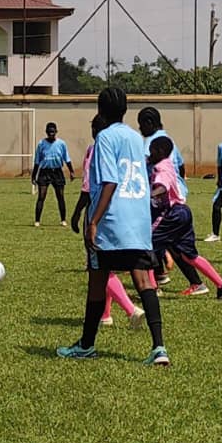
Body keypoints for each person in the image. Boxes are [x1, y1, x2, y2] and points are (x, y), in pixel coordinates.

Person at [57, 87, 169, 366]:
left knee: (97, 282)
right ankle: (159, 348)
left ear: (100, 109)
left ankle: (86, 345)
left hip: (111, 221)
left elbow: (110, 181)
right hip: (138, 220)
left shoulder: (104, 137)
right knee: (144, 282)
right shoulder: (136, 137)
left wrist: (93, 221)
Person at [71, 114, 146, 330]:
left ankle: (131, 309)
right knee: (106, 265)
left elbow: (88, 187)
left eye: (95, 127)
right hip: (120, 212)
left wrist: (79, 214)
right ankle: (105, 314)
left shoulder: (96, 150)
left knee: (99, 266)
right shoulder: (121, 146)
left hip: (98, 212)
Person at [149, 136, 222, 300]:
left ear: (159, 152)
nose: (149, 153)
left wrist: (148, 194)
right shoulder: (167, 162)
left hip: (171, 214)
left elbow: (162, 187)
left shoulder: (160, 168)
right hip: (183, 212)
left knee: (146, 244)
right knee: (189, 255)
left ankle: (152, 289)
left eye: (151, 150)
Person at [136, 106, 201, 288]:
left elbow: (146, 169)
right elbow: (180, 165)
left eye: (141, 125)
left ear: (149, 123)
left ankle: (156, 280)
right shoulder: (168, 139)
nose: (140, 130)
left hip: (164, 198)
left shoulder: (151, 143)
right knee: (171, 243)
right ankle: (191, 281)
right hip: (177, 195)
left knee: (152, 239)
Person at [32, 122, 75, 227]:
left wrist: (71, 171)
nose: (51, 134)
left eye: (53, 131)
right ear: (46, 132)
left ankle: (63, 220)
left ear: (56, 132)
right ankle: (37, 221)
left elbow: (67, 158)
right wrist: (33, 176)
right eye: (49, 132)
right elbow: (37, 161)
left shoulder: (61, 144)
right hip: (44, 172)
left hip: (57, 172)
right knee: (41, 196)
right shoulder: (41, 144)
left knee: (60, 196)